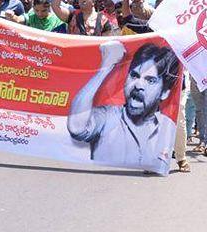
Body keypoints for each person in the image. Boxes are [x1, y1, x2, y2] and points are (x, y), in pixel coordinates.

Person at [67, 41, 180, 173]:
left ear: (165, 92)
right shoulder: (108, 117)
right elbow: (76, 127)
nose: (138, 85)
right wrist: (105, 67)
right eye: (134, 75)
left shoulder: (167, 127)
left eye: (150, 80)